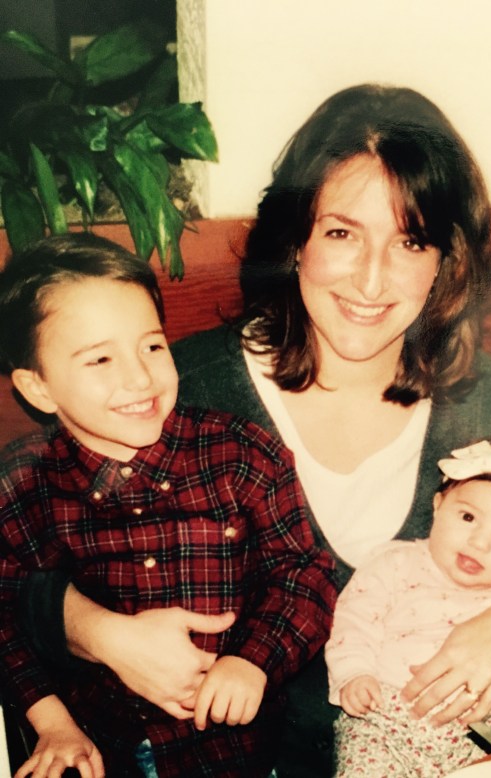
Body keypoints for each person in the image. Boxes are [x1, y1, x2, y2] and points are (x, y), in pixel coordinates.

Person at [14, 84, 491, 777]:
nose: (371, 280)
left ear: (445, 260)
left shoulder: (488, 403)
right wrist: (99, 634)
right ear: (296, 240)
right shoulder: (173, 392)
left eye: (410, 241)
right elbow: (27, 557)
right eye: (342, 233)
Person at [0, 233, 337, 778]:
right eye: (100, 359)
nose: (139, 377)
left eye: (152, 346)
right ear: (38, 389)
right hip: (104, 749)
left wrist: (253, 662)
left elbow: (304, 575)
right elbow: (6, 612)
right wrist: (52, 722)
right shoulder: (20, 483)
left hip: (241, 753)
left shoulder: (241, 453)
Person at [325, 439, 491, 776]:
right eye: (468, 517)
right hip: (383, 719)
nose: (479, 542)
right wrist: (354, 673)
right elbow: (355, 622)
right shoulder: (395, 563)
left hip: (483, 725)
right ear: (438, 505)